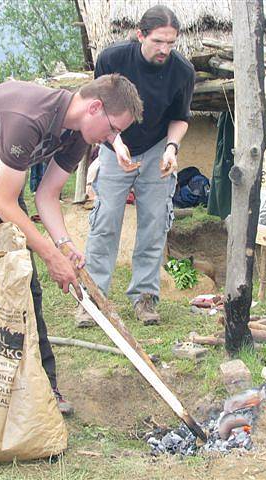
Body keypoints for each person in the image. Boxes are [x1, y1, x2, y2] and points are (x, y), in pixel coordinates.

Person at [0, 74, 143, 414]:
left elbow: (47, 193)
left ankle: (44, 387)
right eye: (113, 128)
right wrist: (51, 256)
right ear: (95, 107)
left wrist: (64, 244)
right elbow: (6, 204)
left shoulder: (78, 135)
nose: (114, 139)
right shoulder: (28, 118)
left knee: (25, 279)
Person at [80, 5, 195, 327]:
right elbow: (96, 108)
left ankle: (145, 298)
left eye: (171, 43)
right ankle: (93, 298)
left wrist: (172, 149)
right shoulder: (112, 59)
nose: (165, 50)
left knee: (154, 224)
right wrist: (114, 142)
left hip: (157, 149)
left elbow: (180, 119)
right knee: (105, 222)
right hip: (114, 143)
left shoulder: (182, 72)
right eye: (158, 41)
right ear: (140, 34)